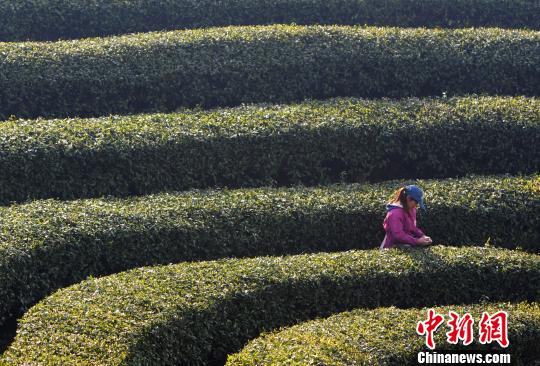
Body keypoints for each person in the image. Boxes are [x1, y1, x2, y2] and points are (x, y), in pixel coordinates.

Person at [379, 184, 432, 250]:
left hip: (407, 246)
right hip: (391, 249)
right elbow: (398, 235)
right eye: (416, 203)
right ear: (408, 198)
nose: (416, 206)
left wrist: (422, 236)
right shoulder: (394, 214)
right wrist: (417, 241)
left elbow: (412, 227)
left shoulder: (411, 209)